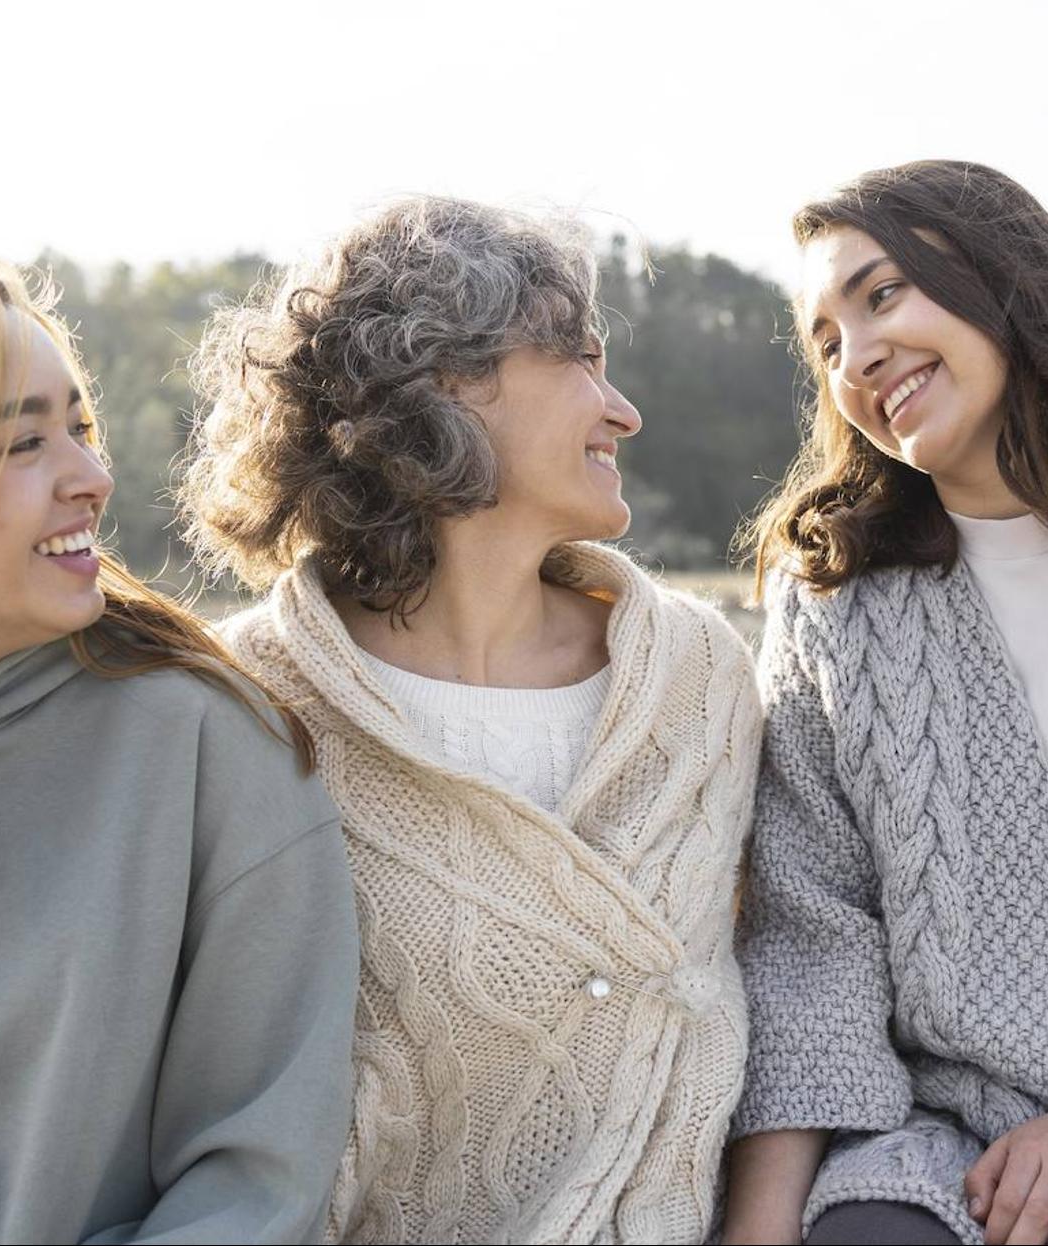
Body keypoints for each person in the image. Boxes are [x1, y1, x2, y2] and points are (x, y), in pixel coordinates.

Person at [179, 197, 763, 1244]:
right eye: (579, 358)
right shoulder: (256, 701)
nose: (622, 409)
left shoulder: (701, 680)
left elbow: (782, 976)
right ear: (446, 379)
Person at [0, 260, 359, 1244]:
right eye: (23, 441)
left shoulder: (203, 744)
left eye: (80, 429)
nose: (93, 476)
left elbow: (257, 1182)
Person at [723, 160, 1048, 1246]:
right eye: (826, 343)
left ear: (1000, 277)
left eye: (883, 294)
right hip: (949, 1140)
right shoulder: (837, 601)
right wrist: (757, 1235)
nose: (861, 355)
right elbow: (810, 938)